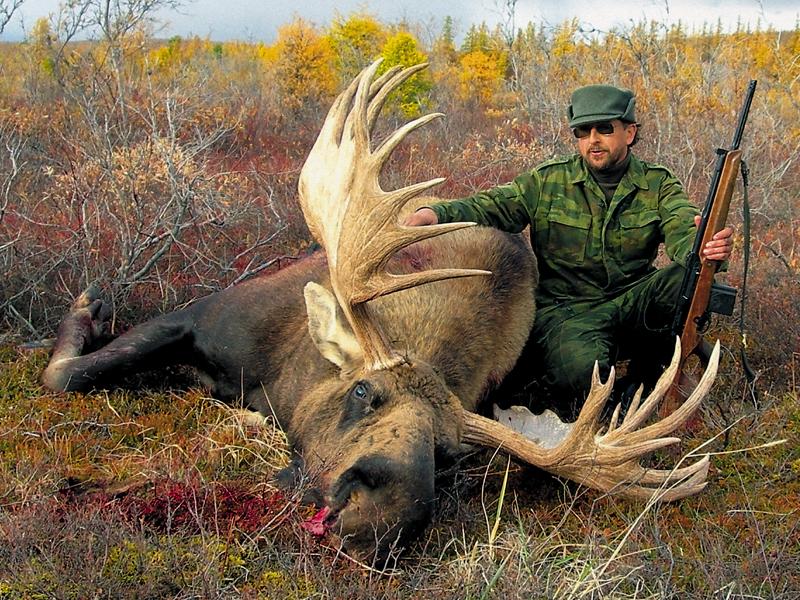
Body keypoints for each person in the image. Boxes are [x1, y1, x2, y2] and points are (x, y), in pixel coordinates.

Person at [405, 84, 733, 417]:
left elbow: (681, 229)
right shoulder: (548, 181)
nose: (593, 139)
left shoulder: (658, 184)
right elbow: (494, 205)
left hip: (631, 299)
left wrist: (705, 248)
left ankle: (652, 371)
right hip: (568, 311)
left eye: (605, 129)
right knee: (581, 375)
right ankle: (610, 394)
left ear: (629, 133)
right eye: (583, 131)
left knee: (686, 276)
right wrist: (436, 214)